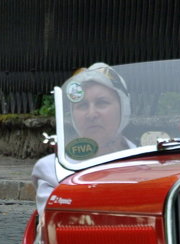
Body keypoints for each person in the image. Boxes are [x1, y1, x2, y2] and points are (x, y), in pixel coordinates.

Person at [32, 62, 132, 216]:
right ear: (73, 114)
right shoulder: (52, 171)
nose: (91, 114)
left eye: (102, 103)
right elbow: (55, 225)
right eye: (82, 105)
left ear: (123, 108)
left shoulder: (149, 162)